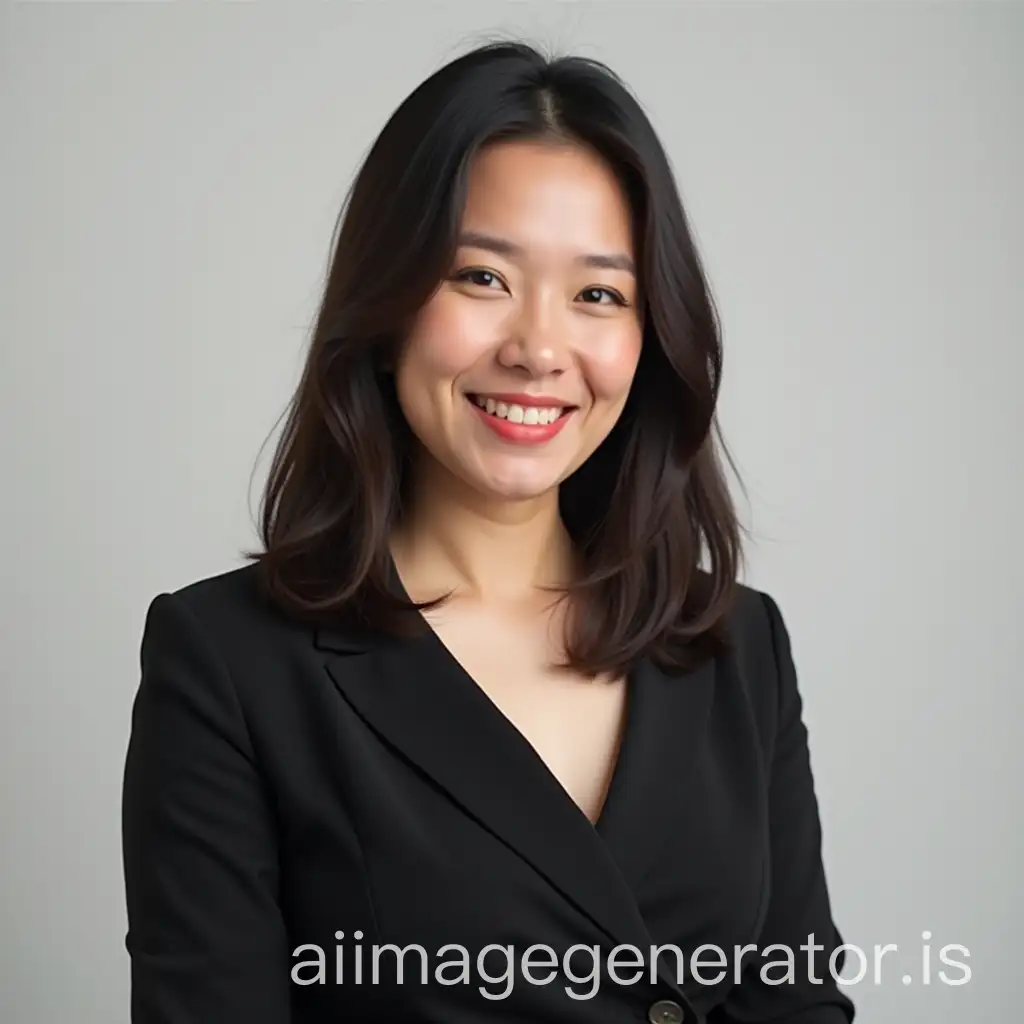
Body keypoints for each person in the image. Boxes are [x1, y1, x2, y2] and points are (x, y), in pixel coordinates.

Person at [121, 40, 855, 1024]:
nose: (539, 348)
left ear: (650, 336)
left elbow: (795, 1006)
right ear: (385, 308)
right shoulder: (229, 662)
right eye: (480, 276)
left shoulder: (736, 642)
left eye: (598, 294)